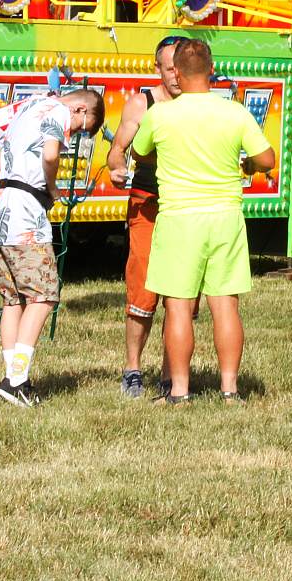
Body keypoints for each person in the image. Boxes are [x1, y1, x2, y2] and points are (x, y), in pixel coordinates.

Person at [131, 38, 276, 404]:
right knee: (225, 306)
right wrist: (248, 164)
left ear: (176, 72)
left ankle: (179, 391)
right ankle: (229, 390)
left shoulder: (161, 114)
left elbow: (139, 151)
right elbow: (267, 159)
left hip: (179, 220)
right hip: (225, 218)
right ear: (211, 70)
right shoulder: (235, 113)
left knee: (178, 307)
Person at [0, 88, 105, 407]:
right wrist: (51, 188)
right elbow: (51, 155)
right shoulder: (58, 112)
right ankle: (17, 381)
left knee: (13, 298)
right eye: (81, 128)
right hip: (25, 211)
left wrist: (17, 172)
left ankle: (11, 377)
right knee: (44, 295)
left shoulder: (30, 107)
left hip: (0, 206)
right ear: (81, 110)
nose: (74, 133)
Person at [105, 35, 183, 398]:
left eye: (181, 68)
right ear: (157, 69)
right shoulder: (142, 103)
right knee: (142, 291)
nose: (176, 76)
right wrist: (116, 168)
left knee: (181, 295)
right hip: (147, 205)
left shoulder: (199, 104)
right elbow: (116, 151)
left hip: (186, 208)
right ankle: (133, 369)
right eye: (169, 69)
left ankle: (170, 373)